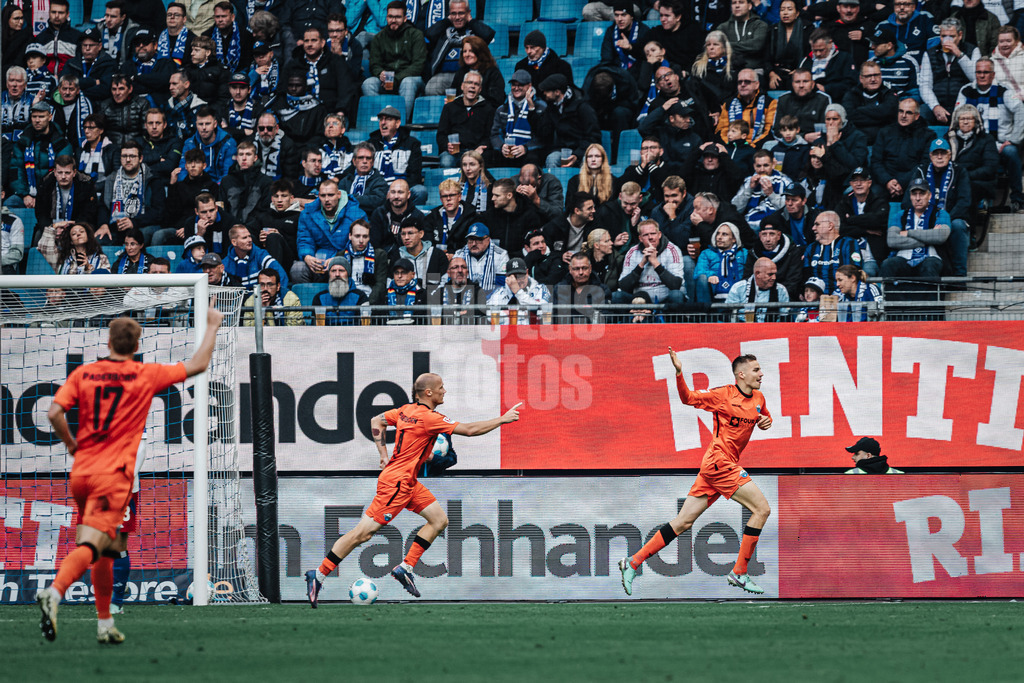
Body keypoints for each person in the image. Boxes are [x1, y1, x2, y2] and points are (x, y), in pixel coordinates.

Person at [40, 310, 223, 643]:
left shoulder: (84, 373)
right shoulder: (144, 374)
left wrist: (71, 445)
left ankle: (105, 623)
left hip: (81, 472)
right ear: (137, 346)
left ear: (108, 342)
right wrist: (211, 325)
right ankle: (54, 591)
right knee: (94, 545)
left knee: (108, 547)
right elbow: (197, 365)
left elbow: (54, 413)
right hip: (112, 476)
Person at [306, 374, 523, 603]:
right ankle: (318, 575)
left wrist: (383, 455)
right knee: (363, 534)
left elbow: (376, 421)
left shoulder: (405, 411)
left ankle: (405, 568)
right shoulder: (430, 418)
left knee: (439, 521)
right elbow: (469, 430)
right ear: (428, 392)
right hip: (397, 484)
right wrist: (502, 419)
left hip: (407, 481)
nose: (444, 391)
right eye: (441, 387)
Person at [619, 349, 773, 597]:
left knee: (683, 522)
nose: (761, 373)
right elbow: (688, 398)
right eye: (756, 370)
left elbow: (764, 418)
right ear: (741, 374)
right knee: (761, 509)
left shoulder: (759, 398)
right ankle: (740, 572)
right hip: (720, 463)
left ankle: (633, 562)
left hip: (715, 467)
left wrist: (766, 422)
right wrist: (679, 373)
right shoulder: (723, 395)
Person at [955, 58, 1024, 215]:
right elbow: (957, 115)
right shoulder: (966, 90)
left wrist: (1013, 139)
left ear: (993, 74)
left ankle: (1017, 200)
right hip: (974, 143)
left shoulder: (1004, 91)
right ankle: (978, 201)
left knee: (1012, 152)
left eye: (986, 72)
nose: (982, 75)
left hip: (1000, 144)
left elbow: (1021, 110)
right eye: (978, 72)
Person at [904, 138, 971, 276]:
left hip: (950, 219)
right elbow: (907, 201)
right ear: (930, 156)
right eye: (936, 153)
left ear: (949, 154)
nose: (939, 157)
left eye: (943, 153)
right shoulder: (921, 171)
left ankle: (959, 276)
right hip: (924, 219)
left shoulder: (959, 171)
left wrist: (944, 221)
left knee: (958, 225)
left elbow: (964, 201)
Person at [292, 178, 368, 283]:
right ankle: (311, 294)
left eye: (331, 195)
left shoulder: (356, 214)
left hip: (346, 259)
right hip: (318, 260)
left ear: (339, 194)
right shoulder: (308, 214)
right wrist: (307, 256)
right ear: (318, 196)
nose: (327, 199)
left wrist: (338, 259)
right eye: (323, 196)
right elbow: (305, 239)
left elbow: (360, 243)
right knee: (297, 269)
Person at [946, 104, 1000, 249]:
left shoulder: (986, 139)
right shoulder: (949, 139)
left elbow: (990, 167)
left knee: (967, 190)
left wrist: (964, 176)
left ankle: (970, 233)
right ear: (957, 121)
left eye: (969, 119)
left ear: (976, 121)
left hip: (980, 182)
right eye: (962, 119)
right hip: (953, 180)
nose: (965, 122)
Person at [362, 1, 426, 118]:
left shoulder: (416, 35)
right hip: (385, 81)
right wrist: (380, 73)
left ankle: (401, 122)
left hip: (410, 78)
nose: (393, 20)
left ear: (405, 18)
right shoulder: (378, 37)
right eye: (390, 16)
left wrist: (396, 78)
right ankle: (380, 120)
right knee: (368, 83)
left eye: (397, 17)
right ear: (386, 17)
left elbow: (418, 65)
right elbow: (374, 64)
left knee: (408, 83)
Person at [881, 177, 951, 280]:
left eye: (922, 194)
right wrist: (929, 239)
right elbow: (891, 240)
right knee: (888, 264)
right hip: (903, 258)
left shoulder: (940, 214)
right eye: (914, 194)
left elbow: (941, 236)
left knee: (929, 266)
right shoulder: (900, 215)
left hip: (930, 257)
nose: (918, 198)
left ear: (929, 195)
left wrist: (909, 233)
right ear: (910, 196)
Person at [423, 0, 495, 96]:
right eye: (453, 13)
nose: (457, 17)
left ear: (468, 13)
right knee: (431, 87)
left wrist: (471, 21)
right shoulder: (444, 30)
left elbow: (488, 35)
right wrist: (447, 20)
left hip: (470, 74)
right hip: (445, 76)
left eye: (461, 13)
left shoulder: (475, 30)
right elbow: (429, 34)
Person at [10, 102, 73, 209]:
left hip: (53, 194)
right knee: (10, 203)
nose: (37, 120)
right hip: (27, 193)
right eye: (34, 117)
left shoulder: (61, 143)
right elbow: (15, 170)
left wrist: (42, 197)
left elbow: (62, 172)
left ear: (50, 117)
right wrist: (25, 194)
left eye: (41, 116)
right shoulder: (22, 142)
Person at [614, 219, 687, 310]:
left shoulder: (672, 250)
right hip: (639, 299)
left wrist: (655, 263)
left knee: (676, 295)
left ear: (659, 234)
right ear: (640, 238)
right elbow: (623, 286)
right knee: (617, 296)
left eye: (653, 233)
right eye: (646, 235)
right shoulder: (633, 252)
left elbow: (676, 285)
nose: (650, 237)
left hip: (665, 300)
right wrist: (641, 264)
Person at [920, 18, 981, 126]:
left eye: (951, 37)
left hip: (964, 104)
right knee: (921, 111)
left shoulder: (972, 51)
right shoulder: (930, 54)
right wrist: (935, 106)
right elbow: (924, 85)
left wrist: (959, 55)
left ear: (960, 35)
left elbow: (976, 78)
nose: (946, 40)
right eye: (943, 36)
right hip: (938, 103)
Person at [870, 98, 936, 199]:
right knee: (873, 195)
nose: (903, 116)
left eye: (908, 113)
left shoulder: (928, 136)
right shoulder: (885, 132)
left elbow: (925, 164)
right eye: (901, 111)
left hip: (913, 183)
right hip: (886, 183)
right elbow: (876, 162)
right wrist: (888, 181)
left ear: (917, 116)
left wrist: (901, 182)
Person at [33, 155, 100, 247]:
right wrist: (52, 227)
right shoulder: (45, 184)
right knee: (38, 236)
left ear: (74, 172)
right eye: (60, 172)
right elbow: (40, 213)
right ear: (55, 172)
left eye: (67, 173)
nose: (63, 176)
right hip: (52, 226)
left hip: (78, 226)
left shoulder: (86, 185)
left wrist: (71, 228)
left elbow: (88, 213)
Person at [538, 74, 601, 170]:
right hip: (563, 150)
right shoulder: (551, 107)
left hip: (583, 150)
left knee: (587, 160)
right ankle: (554, 180)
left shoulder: (583, 106)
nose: (544, 93)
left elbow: (594, 136)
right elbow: (544, 132)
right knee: (552, 159)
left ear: (557, 92)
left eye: (547, 91)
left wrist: (577, 154)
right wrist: (532, 110)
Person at [435, 70, 496, 169]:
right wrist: (447, 145)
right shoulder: (449, 107)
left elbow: (490, 136)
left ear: (480, 89)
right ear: (462, 86)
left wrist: (482, 147)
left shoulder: (488, 109)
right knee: (446, 161)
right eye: (469, 82)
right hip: (454, 152)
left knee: (486, 159)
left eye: (476, 84)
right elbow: (441, 134)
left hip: (476, 151)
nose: (473, 86)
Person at [835, 166, 890, 275]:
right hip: (847, 256)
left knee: (866, 274)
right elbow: (839, 228)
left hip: (871, 257)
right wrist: (865, 230)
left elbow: (878, 221)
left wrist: (850, 219)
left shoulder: (879, 201)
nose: (858, 184)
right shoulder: (844, 202)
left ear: (869, 183)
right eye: (855, 181)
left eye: (862, 180)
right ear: (851, 184)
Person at [369, 105, 426, 205]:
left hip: (402, 189)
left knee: (420, 191)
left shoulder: (412, 144)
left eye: (388, 119)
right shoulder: (371, 144)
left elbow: (415, 175)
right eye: (381, 119)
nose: (383, 123)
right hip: (378, 190)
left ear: (397, 123)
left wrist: (396, 190)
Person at [490, 70, 548, 168]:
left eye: (520, 85)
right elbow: (495, 134)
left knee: (533, 158)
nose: (516, 88)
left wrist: (525, 148)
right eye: (513, 85)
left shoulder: (541, 106)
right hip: (508, 151)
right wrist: (502, 146)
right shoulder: (502, 108)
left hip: (530, 152)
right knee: (491, 157)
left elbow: (544, 136)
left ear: (529, 86)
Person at [842, 61, 899, 146]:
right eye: (868, 76)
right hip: (857, 143)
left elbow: (887, 112)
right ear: (861, 78)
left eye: (876, 75)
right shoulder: (851, 94)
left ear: (881, 76)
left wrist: (860, 110)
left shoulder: (889, 94)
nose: (873, 79)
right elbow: (850, 116)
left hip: (885, 144)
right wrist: (879, 116)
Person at [715, 68, 776, 147]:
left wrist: (751, 148)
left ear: (756, 84)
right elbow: (722, 130)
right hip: (731, 148)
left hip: (758, 149)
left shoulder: (770, 103)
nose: (743, 85)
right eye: (740, 82)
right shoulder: (728, 104)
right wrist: (731, 147)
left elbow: (769, 132)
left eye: (747, 81)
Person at [175, 106, 237, 183]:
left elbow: (227, 174)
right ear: (196, 125)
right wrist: (190, 187)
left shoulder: (228, 143)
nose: (204, 128)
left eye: (207, 124)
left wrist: (213, 188)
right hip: (195, 185)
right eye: (200, 124)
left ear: (215, 124)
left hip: (218, 187)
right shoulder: (190, 143)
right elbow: (183, 171)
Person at [486, 256, 553, 324]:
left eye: (521, 275)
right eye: (514, 277)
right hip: (508, 330)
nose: (518, 280)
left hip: (533, 330)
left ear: (527, 272)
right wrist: (522, 314)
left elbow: (543, 314)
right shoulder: (499, 293)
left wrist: (518, 292)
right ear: (507, 276)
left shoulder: (540, 289)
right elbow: (490, 316)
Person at [744, 220, 802, 298]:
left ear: (779, 235)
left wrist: (774, 298)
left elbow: (793, 282)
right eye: (764, 234)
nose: (768, 239)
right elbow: (747, 280)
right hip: (758, 298)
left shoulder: (792, 253)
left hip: (784, 298)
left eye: (772, 234)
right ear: (760, 236)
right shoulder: (752, 254)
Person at [694, 222, 748, 304]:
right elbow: (699, 271)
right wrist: (710, 275)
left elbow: (750, 273)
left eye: (724, 234)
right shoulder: (706, 253)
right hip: (712, 295)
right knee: (702, 278)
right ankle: (705, 311)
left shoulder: (744, 253)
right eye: (718, 234)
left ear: (734, 239)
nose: (719, 237)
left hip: (739, 296)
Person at [224, 223, 289, 292]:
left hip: (261, 297)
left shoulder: (261, 255)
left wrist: (277, 295)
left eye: (249, 236)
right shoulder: (226, 264)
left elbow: (281, 275)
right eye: (244, 238)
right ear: (234, 242)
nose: (250, 240)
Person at [798, 28, 856, 102]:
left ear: (830, 43)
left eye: (821, 50)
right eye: (814, 50)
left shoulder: (844, 58)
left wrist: (826, 88)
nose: (818, 54)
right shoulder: (805, 61)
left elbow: (851, 84)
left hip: (836, 100)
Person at [551, 252, 611, 323]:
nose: (581, 272)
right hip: (566, 329)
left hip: (592, 329)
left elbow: (606, 317)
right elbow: (554, 317)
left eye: (584, 268)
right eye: (576, 269)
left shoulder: (603, 290)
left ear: (590, 268)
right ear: (570, 269)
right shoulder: (559, 289)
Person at [726, 257, 791, 322]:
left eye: (775, 274)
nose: (774, 278)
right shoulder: (738, 288)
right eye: (770, 274)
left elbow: (785, 317)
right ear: (758, 274)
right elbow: (728, 314)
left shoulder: (781, 290)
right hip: (744, 327)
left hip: (772, 327)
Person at [423, 178, 478, 253]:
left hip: (462, 257)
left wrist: (454, 254)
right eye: (444, 196)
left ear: (459, 197)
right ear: (441, 199)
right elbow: (427, 244)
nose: (448, 199)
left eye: (452, 195)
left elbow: (472, 244)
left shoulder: (472, 217)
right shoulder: (431, 218)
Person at [451, 222, 509, 293]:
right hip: (465, 296)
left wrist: (483, 297)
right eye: (471, 240)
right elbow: (452, 282)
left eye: (478, 240)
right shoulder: (459, 255)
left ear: (488, 240)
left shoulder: (501, 255)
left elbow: (501, 286)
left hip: (492, 297)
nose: (474, 244)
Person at [312, 256, 370, 325]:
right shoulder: (319, 298)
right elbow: (314, 327)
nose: (337, 274)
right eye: (333, 271)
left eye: (341, 271)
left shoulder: (360, 297)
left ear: (348, 274)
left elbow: (364, 326)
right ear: (329, 274)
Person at [868, 24, 919, 103]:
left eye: (876, 44)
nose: (872, 47)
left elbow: (915, 93)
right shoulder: (871, 63)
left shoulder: (909, 62)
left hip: (901, 105)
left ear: (889, 45)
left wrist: (904, 104)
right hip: (876, 105)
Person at [767, 0, 811, 91]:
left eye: (789, 9)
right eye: (782, 10)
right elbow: (766, 57)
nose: (785, 13)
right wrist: (771, 74)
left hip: (800, 71)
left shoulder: (807, 29)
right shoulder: (773, 30)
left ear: (797, 13)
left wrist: (800, 70)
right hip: (777, 72)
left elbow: (810, 55)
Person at [393, 222, 448, 290]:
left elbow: (445, 283)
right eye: (403, 234)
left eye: (410, 233)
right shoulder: (397, 256)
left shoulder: (437, 255)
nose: (406, 238)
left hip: (433, 295)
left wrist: (432, 296)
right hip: (405, 296)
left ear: (421, 234)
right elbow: (391, 284)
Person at [339, 141, 389, 214]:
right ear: (354, 161)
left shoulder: (380, 182)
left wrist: (349, 197)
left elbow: (376, 202)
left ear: (373, 162)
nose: (364, 161)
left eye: (368, 158)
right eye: (361, 158)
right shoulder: (345, 181)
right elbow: (339, 202)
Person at [202, 2, 253, 73]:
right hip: (213, 74)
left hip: (238, 75)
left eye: (224, 16)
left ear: (232, 17)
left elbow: (247, 62)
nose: (220, 20)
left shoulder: (245, 35)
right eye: (217, 17)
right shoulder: (207, 36)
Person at [252, 111, 299, 181]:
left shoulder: (287, 145)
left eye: (269, 128)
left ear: (276, 129)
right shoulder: (250, 143)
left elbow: (290, 176)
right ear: (257, 129)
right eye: (262, 128)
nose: (265, 131)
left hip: (278, 184)